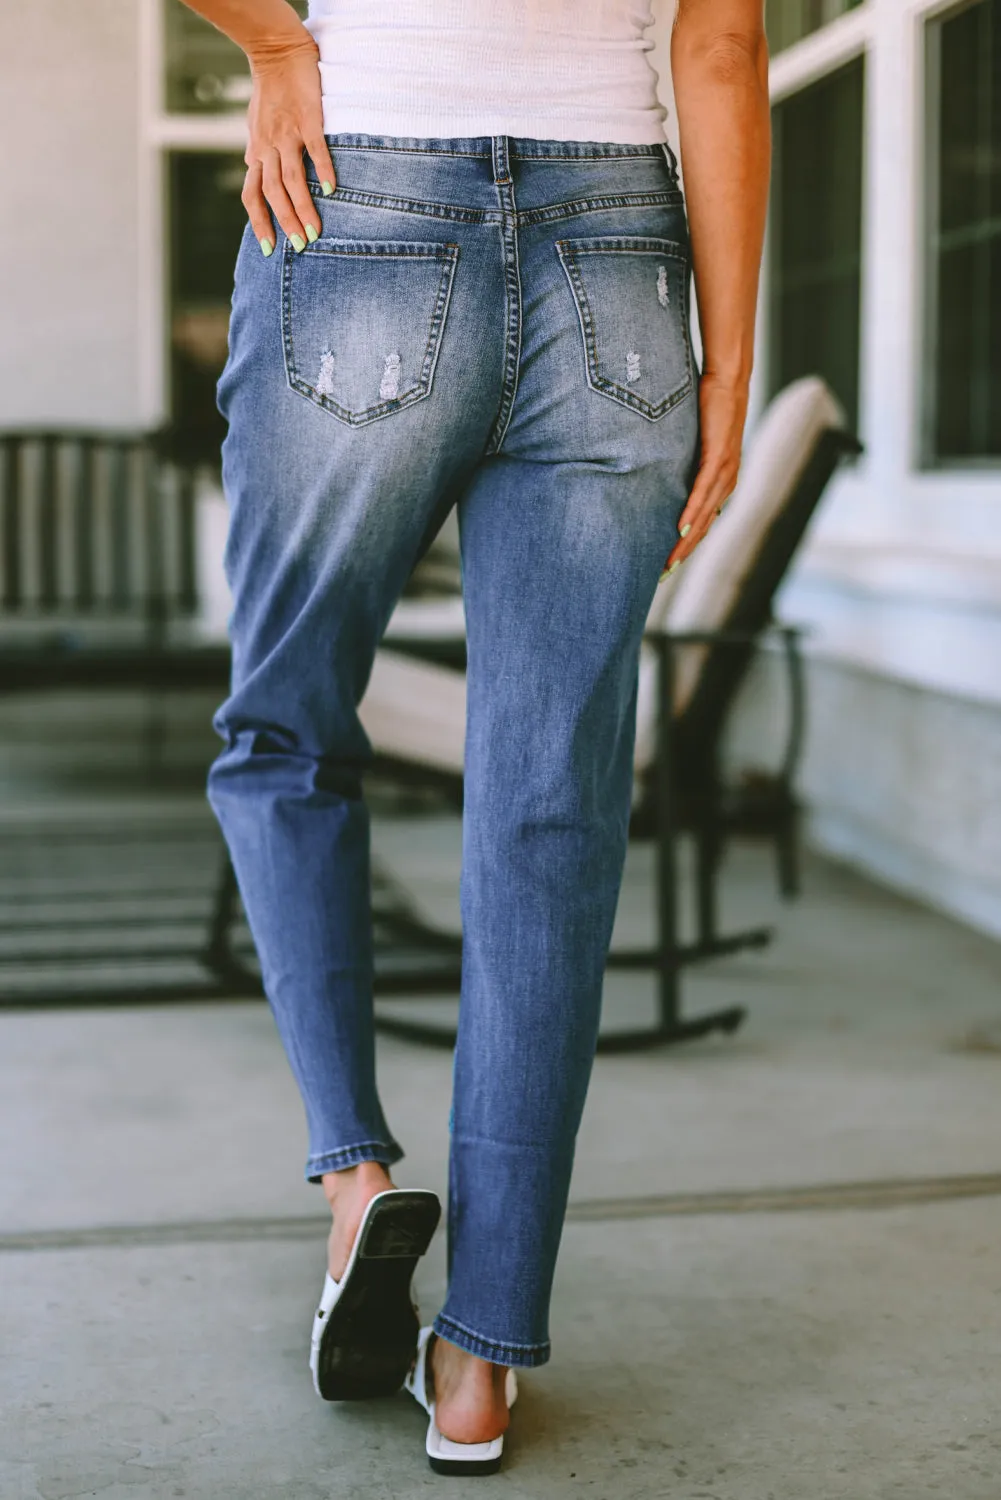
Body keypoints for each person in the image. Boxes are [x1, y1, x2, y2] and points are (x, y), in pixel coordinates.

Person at [185, 0, 769, 1475]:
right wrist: (730, 362)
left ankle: (355, 1175)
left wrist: (272, 45)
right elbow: (720, 44)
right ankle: (480, 1361)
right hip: (620, 248)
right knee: (550, 813)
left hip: (360, 187)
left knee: (289, 733)